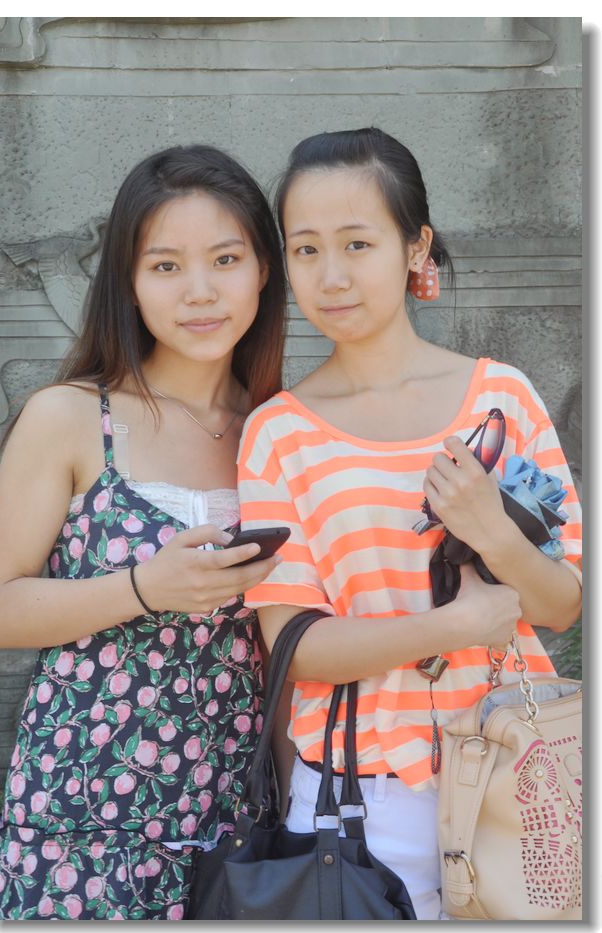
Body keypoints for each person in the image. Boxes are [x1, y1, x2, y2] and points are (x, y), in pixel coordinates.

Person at [237, 127, 582, 920]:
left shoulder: (501, 399)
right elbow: (297, 646)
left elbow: (563, 603)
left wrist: (491, 529)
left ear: (415, 246)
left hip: (512, 782)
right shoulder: (278, 434)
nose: (331, 275)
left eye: (357, 244)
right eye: (307, 249)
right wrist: (455, 625)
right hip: (358, 807)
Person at [0, 144, 288, 920]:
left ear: (263, 270)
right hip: (82, 827)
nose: (199, 291)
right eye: (165, 266)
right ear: (128, 279)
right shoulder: (72, 416)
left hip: (237, 831)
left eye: (225, 259)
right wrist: (146, 587)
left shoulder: (281, 434)